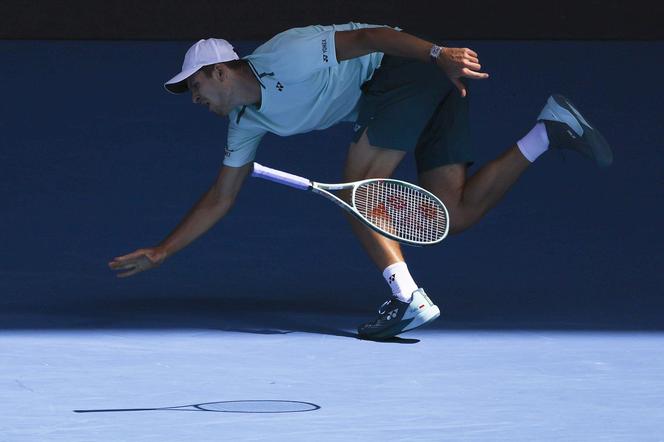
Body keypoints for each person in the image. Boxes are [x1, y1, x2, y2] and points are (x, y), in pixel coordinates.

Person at [109, 22, 612, 339]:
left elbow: (371, 38)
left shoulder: (289, 55)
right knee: (452, 214)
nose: (194, 99)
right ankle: (549, 131)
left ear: (220, 72)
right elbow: (221, 197)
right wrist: (164, 251)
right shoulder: (246, 123)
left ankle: (408, 300)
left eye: (195, 86)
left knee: (359, 191)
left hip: (405, 72)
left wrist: (435, 55)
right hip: (410, 94)